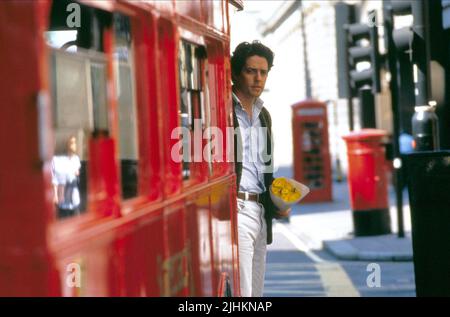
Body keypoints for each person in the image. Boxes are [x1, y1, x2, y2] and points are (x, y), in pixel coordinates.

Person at [231, 41, 290, 297]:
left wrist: (279, 199)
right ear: (235, 73)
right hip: (237, 208)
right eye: (250, 71)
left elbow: (264, 169)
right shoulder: (223, 110)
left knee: (256, 293)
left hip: (260, 210)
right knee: (243, 292)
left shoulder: (264, 115)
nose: (258, 78)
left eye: (263, 72)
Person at [51, 135, 81, 219]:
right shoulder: (56, 160)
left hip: (74, 200)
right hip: (63, 201)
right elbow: (55, 179)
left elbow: (75, 173)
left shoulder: (75, 159)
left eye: (74, 143)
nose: (74, 145)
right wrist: (55, 195)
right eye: (71, 143)